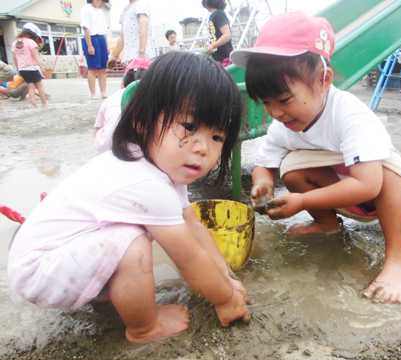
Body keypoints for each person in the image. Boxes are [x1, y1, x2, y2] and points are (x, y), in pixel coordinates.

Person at [8, 52, 250, 342]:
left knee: (132, 234)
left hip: (53, 256)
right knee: (131, 242)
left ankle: (104, 289)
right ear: (140, 119)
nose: (203, 148)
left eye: (217, 138)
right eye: (189, 127)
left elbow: (195, 228)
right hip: (40, 271)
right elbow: (189, 258)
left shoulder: (161, 168)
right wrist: (225, 299)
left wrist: (226, 277)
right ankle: (144, 327)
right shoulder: (148, 183)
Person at [231, 11, 401, 304]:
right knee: (290, 167)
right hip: (340, 193)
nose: (275, 113)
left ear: (324, 79)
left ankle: (398, 261)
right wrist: (263, 184)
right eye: (265, 103)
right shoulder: (283, 125)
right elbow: (264, 165)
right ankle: (327, 224)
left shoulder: (349, 114)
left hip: (377, 194)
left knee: (391, 171)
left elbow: (368, 185)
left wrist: (302, 202)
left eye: (284, 100)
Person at [94, 58, 152, 153]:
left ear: (124, 82)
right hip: (146, 153)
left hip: (108, 150)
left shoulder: (111, 99)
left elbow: (97, 130)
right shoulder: (156, 98)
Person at [108, 0, 156, 67]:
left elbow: (144, 28)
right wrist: (114, 55)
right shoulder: (124, 11)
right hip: (129, 57)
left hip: (143, 56)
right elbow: (122, 37)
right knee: (131, 77)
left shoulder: (141, 6)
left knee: (143, 77)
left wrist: (141, 52)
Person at [11, 23, 48, 108]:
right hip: (32, 67)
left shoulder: (15, 43)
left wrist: (18, 70)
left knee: (30, 87)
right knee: (39, 86)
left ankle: (33, 105)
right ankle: (44, 103)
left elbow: (15, 58)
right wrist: (41, 67)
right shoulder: (31, 42)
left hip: (22, 68)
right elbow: (35, 56)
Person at [80, 0, 110, 99]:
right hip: (92, 39)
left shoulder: (101, 12)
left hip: (101, 39)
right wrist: (89, 45)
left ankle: (103, 92)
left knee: (103, 68)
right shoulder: (86, 9)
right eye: (102, 2)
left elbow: (104, 31)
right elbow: (86, 28)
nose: (102, 5)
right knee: (93, 68)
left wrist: (107, 45)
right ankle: (93, 93)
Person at [202, 0, 233, 67]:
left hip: (224, 56)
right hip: (218, 57)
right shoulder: (215, 15)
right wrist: (211, 45)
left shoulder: (218, 14)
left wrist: (213, 45)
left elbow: (227, 35)